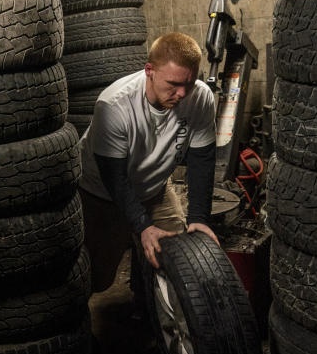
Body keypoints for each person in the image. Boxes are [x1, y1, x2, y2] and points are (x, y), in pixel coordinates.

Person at [78, 31, 219, 291]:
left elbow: (202, 159)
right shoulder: (114, 105)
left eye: (188, 84)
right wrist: (143, 226)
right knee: (97, 280)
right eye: (173, 84)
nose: (181, 94)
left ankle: (148, 309)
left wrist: (199, 217)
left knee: (177, 256)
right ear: (149, 70)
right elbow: (115, 178)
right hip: (101, 193)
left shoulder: (200, 97)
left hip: (154, 187)